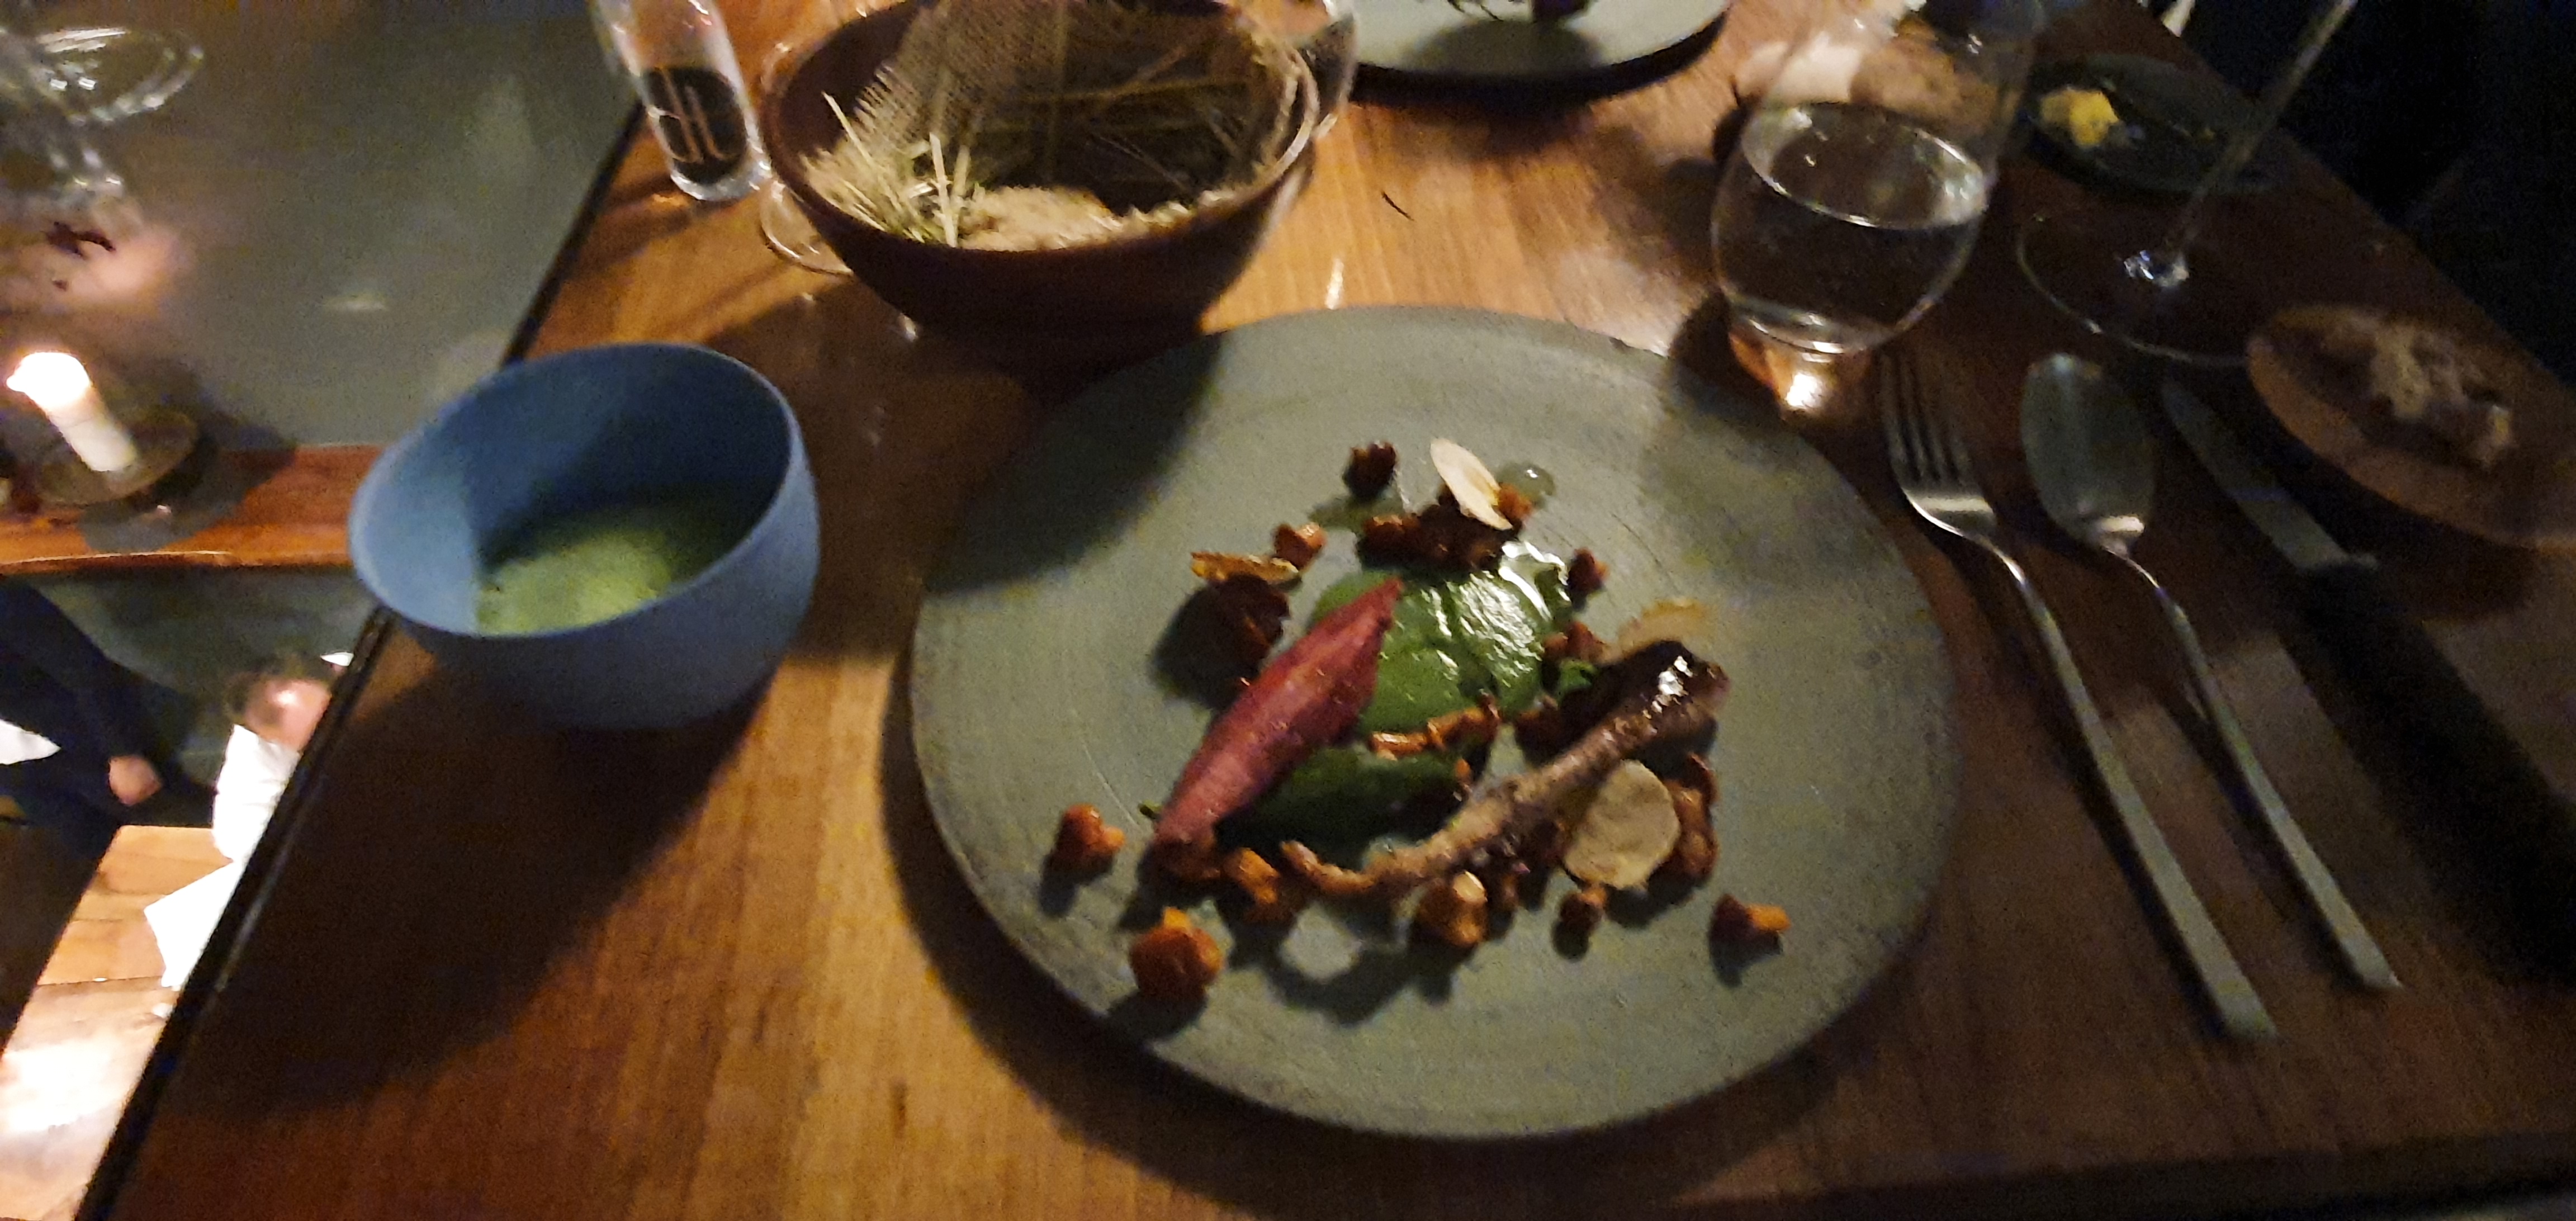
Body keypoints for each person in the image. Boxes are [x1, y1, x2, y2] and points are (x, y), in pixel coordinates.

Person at [143, 652, 338, 989]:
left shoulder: (374, 668)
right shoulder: (254, 755)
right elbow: (238, 838)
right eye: (312, 742)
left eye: (332, 719)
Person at [0, 579, 168, 858]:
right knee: (112, 861)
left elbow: (86, 670)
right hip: (17, 774)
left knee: (173, 840)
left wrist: (123, 751)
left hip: (89, 747)